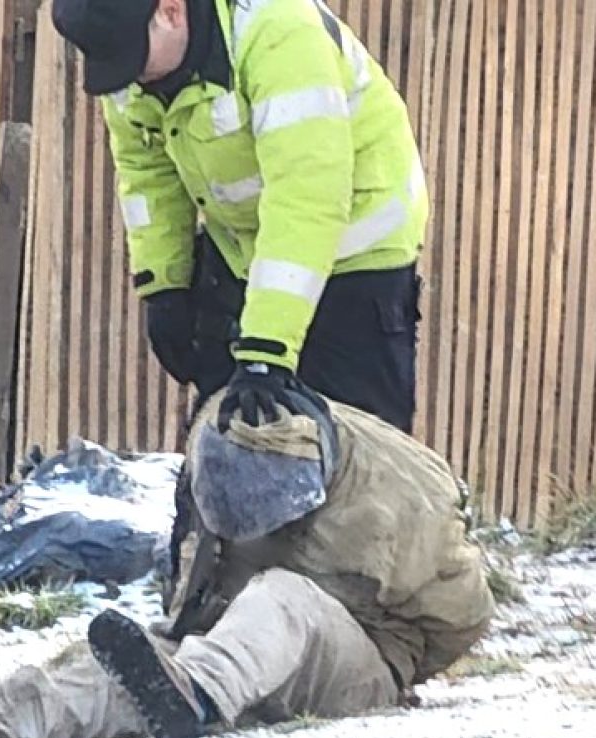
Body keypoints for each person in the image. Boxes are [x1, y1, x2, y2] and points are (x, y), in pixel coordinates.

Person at [0, 387, 494, 738]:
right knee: (127, 668)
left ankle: (197, 691)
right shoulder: (225, 443)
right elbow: (196, 591)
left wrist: (387, 664)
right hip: (230, 656)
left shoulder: (402, 494)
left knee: (282, 598)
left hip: (357, 668)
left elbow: (461, 618)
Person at [51, 0, 429, 432]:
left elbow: (306, 197)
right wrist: (164, 284)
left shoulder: (279, 34)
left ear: (171, 11)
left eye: (134, 56)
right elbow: (147, 172)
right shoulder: (129, 59)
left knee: (356, 459)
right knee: (228, 437)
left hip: (356, 251)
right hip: (245, 247)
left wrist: (265, 350)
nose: (131, 77)